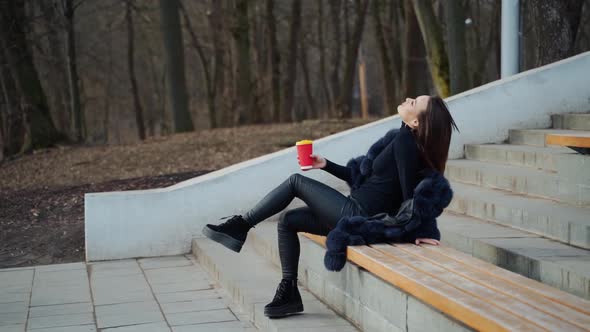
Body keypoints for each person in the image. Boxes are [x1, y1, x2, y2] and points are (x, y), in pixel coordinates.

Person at [202, 95, 459, 318]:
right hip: (354, 208)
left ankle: (240, 226)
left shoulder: (406, 144)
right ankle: (289, 292)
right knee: (288, 221)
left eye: (414, 102)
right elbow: (364, 179)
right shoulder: (401, 137)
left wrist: (420, 231)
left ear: (416, 122)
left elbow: (409, 197)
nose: (408, 100)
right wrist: (325, 164)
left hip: (359, 215)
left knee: (296, 182)